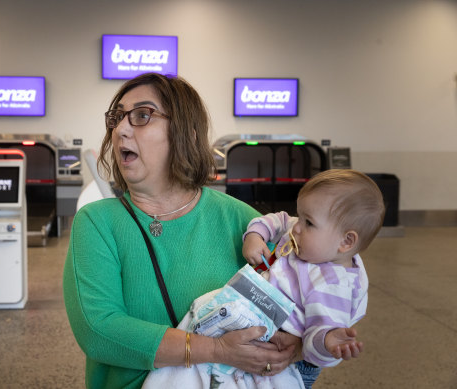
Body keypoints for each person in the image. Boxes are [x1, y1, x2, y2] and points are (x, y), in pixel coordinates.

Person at [63, 73, 308, 389]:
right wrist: (216, 350)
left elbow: (308, 296)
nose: (120, 129)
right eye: (117, 117)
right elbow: (99, 331)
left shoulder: (245, 224)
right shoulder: (97, 223)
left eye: (142, 115)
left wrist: (297, 346)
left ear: (188, 135)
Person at [242, 169, 385, 388]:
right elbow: (279, 220)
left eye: (309, 222)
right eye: (300, 215)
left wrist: (328, 342)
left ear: (346, 241)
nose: (296, 226)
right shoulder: (309, 239)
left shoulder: (331, 286)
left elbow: (316, 339)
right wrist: (255, 235)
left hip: (290, 365)